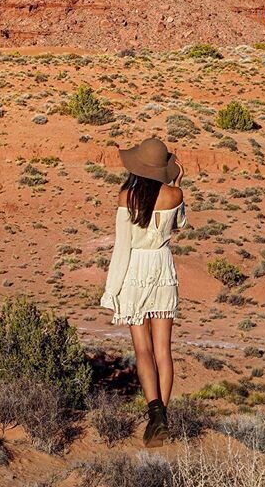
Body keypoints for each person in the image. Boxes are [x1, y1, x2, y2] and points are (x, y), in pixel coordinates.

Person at [99, 136, 187, 448]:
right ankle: (162, 419)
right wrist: (176, 184)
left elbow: (122, 248)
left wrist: (112, 290)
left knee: (143, 349)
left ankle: (155, 416)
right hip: (163, 268)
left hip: (136, 271)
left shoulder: (127, 196)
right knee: (164, 349)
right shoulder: (174, 194)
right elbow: (178, 225)